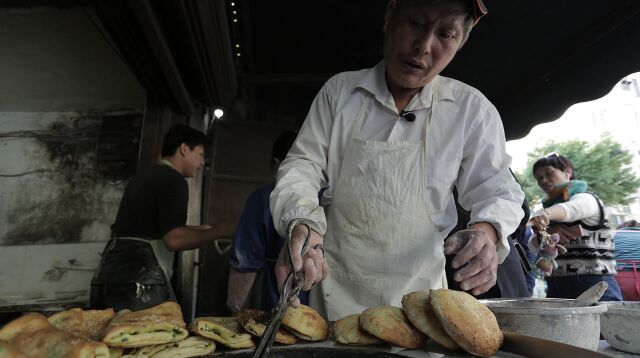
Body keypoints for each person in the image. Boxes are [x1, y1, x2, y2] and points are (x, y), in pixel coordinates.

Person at [269, 0, 526, 320]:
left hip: (422, 300)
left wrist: (488, 232)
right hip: (337, 293)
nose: (423, 46)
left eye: (446, 34)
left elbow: (498, 190)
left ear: (461, 41)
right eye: (416, 23)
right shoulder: (340, 92)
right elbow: (302, 166)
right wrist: (302, 221)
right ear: (390, 15)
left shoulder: (470, 109)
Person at [91, 125, 234, 311]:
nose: (201, 163)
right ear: (184, 149)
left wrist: (201, 229)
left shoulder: (144, 176)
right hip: (141, 283)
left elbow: (151, 228)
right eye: (200, 154)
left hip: (107, 276)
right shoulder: (174, 181)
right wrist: (223, 230)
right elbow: (173, 239)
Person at [226, 130, 310, 313]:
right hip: (326, 315)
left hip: (277, 312)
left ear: (276, 164)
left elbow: (245, 263)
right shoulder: (329, 200)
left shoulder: (263, 199)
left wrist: (236, 313)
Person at [528, 153, 622, 301]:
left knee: (604, 323)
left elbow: (571, 210)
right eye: (539, 178)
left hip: (592, 282)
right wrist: (546, 231)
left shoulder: (587, 199)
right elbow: (532, 246)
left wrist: (544, 215)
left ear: (567, 172)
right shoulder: (548, 213)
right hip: (556, 284)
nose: (544, 180)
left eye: (549, 173)